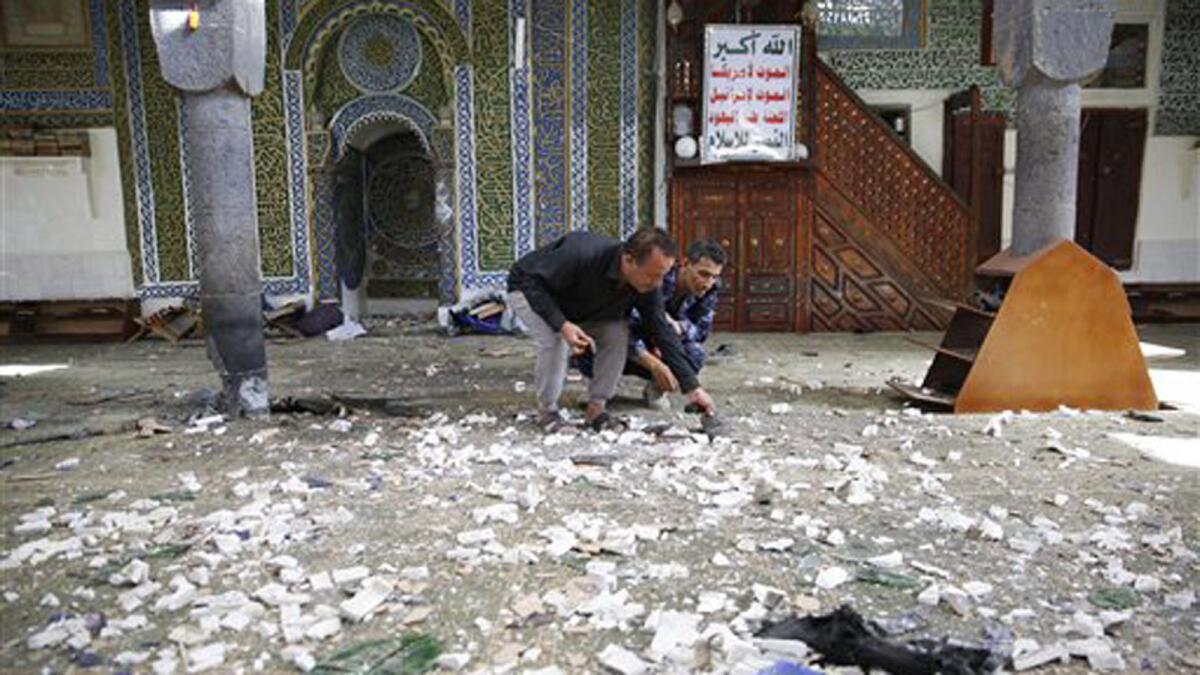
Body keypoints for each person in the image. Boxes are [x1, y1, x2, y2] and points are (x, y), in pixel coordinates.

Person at [507, 228, 716, 431]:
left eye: (663, 276)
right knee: (555, 339)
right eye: (653, 276)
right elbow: (527, 281)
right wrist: (561, 324)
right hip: (531, 292)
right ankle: (548, 412)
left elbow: (661, 328)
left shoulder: (649, 285)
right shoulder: (582, 251)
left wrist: (692, 388)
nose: (658, 284)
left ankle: (596, 408)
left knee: (617, 332)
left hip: (582, 307)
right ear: (628, 260)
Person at [572, 239, 725, 410]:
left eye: (714, 276)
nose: (708, 282)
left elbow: (702, 331)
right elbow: (623, 320)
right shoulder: (656, 276)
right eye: (703, 274)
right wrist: (654, 363)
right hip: (631, 341)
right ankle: (599, 387)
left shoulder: (710, 289)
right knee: (600, 341)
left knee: (695, 353)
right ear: (685, 263)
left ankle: (656, 389)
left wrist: (679, 327)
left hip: (667, 345)